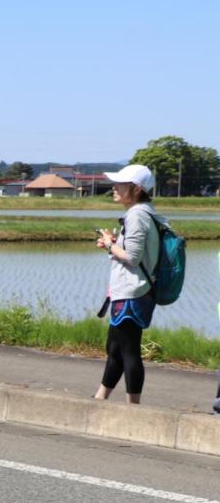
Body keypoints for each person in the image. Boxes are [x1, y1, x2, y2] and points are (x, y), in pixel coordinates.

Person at [94, 164, 163, 405]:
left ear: (135, 189)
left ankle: (133, 408)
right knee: (115, 348)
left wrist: (109, 244)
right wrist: (113, 244)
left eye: (120, 184)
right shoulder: (145, 211)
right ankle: (100, 399)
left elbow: (132, 257)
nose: (114, 187)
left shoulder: (136, 214)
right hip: (134, 291)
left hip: (132, 292)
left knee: (128, 350)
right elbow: (136, 253)